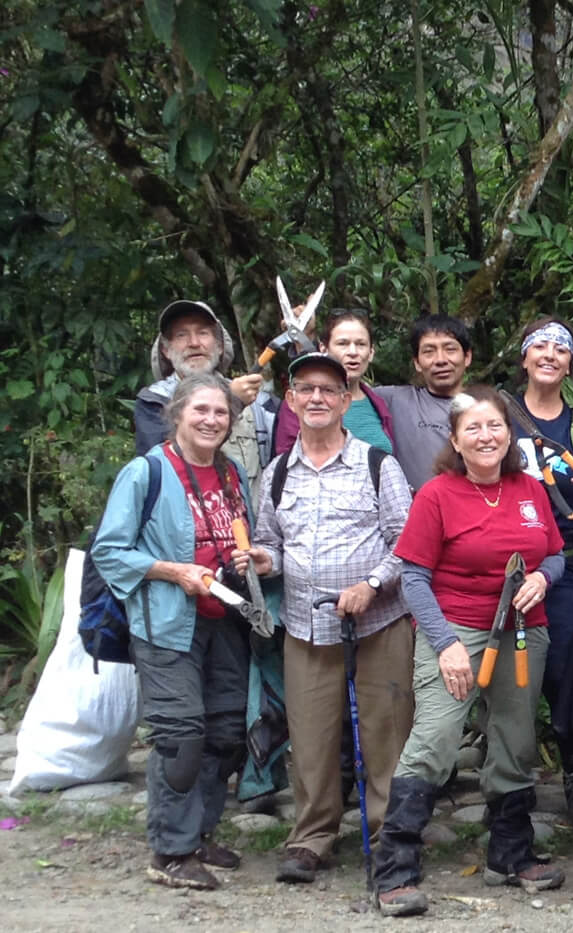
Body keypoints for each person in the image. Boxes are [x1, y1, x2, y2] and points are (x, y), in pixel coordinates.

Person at [374, 387, 567, 917]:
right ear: (456, 441)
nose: (486, 436)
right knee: (435, 737)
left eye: (495, 427)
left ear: (510, 435)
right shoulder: (437, 494)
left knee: (516, 740)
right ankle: (394, 869)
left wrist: (545, 580)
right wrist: (445, 644)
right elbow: (413, 576)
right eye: (473, 429)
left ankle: (511, 853)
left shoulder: (530, 488)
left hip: (524, 630)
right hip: (456, 628)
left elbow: (554, 554)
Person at [235, 353, 414, 884]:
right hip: (306, 625)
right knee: (310, 737)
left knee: (386, 734)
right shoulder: (277, 473)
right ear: (290, 400)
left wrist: (373, 585)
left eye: (328, 390)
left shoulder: (378, 463)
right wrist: (266, 560)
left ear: (343, 401)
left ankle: (389, 837)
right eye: (306, 389)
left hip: (378, 622)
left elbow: (408, 543)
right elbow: (271, 542)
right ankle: (312, 837)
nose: (316, 398)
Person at [94, 373, 261, 890]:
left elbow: (244, 535)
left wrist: (247, 557)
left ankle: (199, 833)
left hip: (226, 621)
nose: (212, 420)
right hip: (166, 625)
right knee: (180, 736)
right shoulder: (146, 473)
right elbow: (110, 549)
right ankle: (169, 851)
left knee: (228, 732)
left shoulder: (232, 474)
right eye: (201, 410)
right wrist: (175, 571)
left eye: (221, 413)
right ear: (177, 414)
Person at [506, 316, 573, 827]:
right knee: (510, 678)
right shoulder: (500, 417)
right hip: (506, 566)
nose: (549, 354)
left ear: (570, 364)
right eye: (539, 346)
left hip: (570, 567)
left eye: (560, 348)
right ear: (524, 357)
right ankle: (509, 784)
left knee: (568, 675)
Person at [135, 299, 276, 482]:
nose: (194, 343)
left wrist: (304, 345)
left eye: (203, 333)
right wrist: (231, 401)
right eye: (181, 335)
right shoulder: (153, 402)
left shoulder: (258, 402)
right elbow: (162, 471)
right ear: (165, 350)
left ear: (219, 346)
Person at [273, 308, 396, 456]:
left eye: (361, 344)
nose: (353, 352)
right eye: (342, 343)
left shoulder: (378, 404)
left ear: (371, 353)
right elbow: (288, 461)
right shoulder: (304, 401)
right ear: (324, 348)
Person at [371, 313, 472, 491]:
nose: (440, 360)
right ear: (417, 363)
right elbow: (338, 390)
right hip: (415, 513)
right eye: (429, 351)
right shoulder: (394, 400)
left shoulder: (487, 407)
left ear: (467, 357)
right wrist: (305, 338)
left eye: (450, 349)